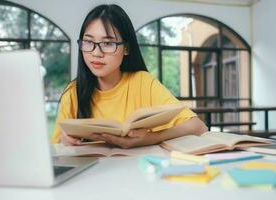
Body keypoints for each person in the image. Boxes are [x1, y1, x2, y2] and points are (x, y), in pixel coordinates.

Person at [51, 4, 207, 148]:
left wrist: (154, 137)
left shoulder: (142, 82)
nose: (96, 53)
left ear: (126, 48)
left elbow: (198, 126)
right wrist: (64, 142)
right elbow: (55, 149)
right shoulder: (73, 92)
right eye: (88, 42)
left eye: (108, 43)